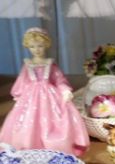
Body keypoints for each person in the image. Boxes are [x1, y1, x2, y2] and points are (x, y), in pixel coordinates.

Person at [0, 27, 90, 156]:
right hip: (30, 97)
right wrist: (19, 94)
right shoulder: (27, 64)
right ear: (28, 47)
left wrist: (64, 90)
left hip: (50, 97)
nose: (36, 49)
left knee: (53, 119)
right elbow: (22, 81)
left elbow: (59, 79)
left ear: (46, 45)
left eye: (40, 46)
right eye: (32, 46)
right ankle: (29, 144)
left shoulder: (50, 64)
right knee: (27, 120)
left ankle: (53, 144)